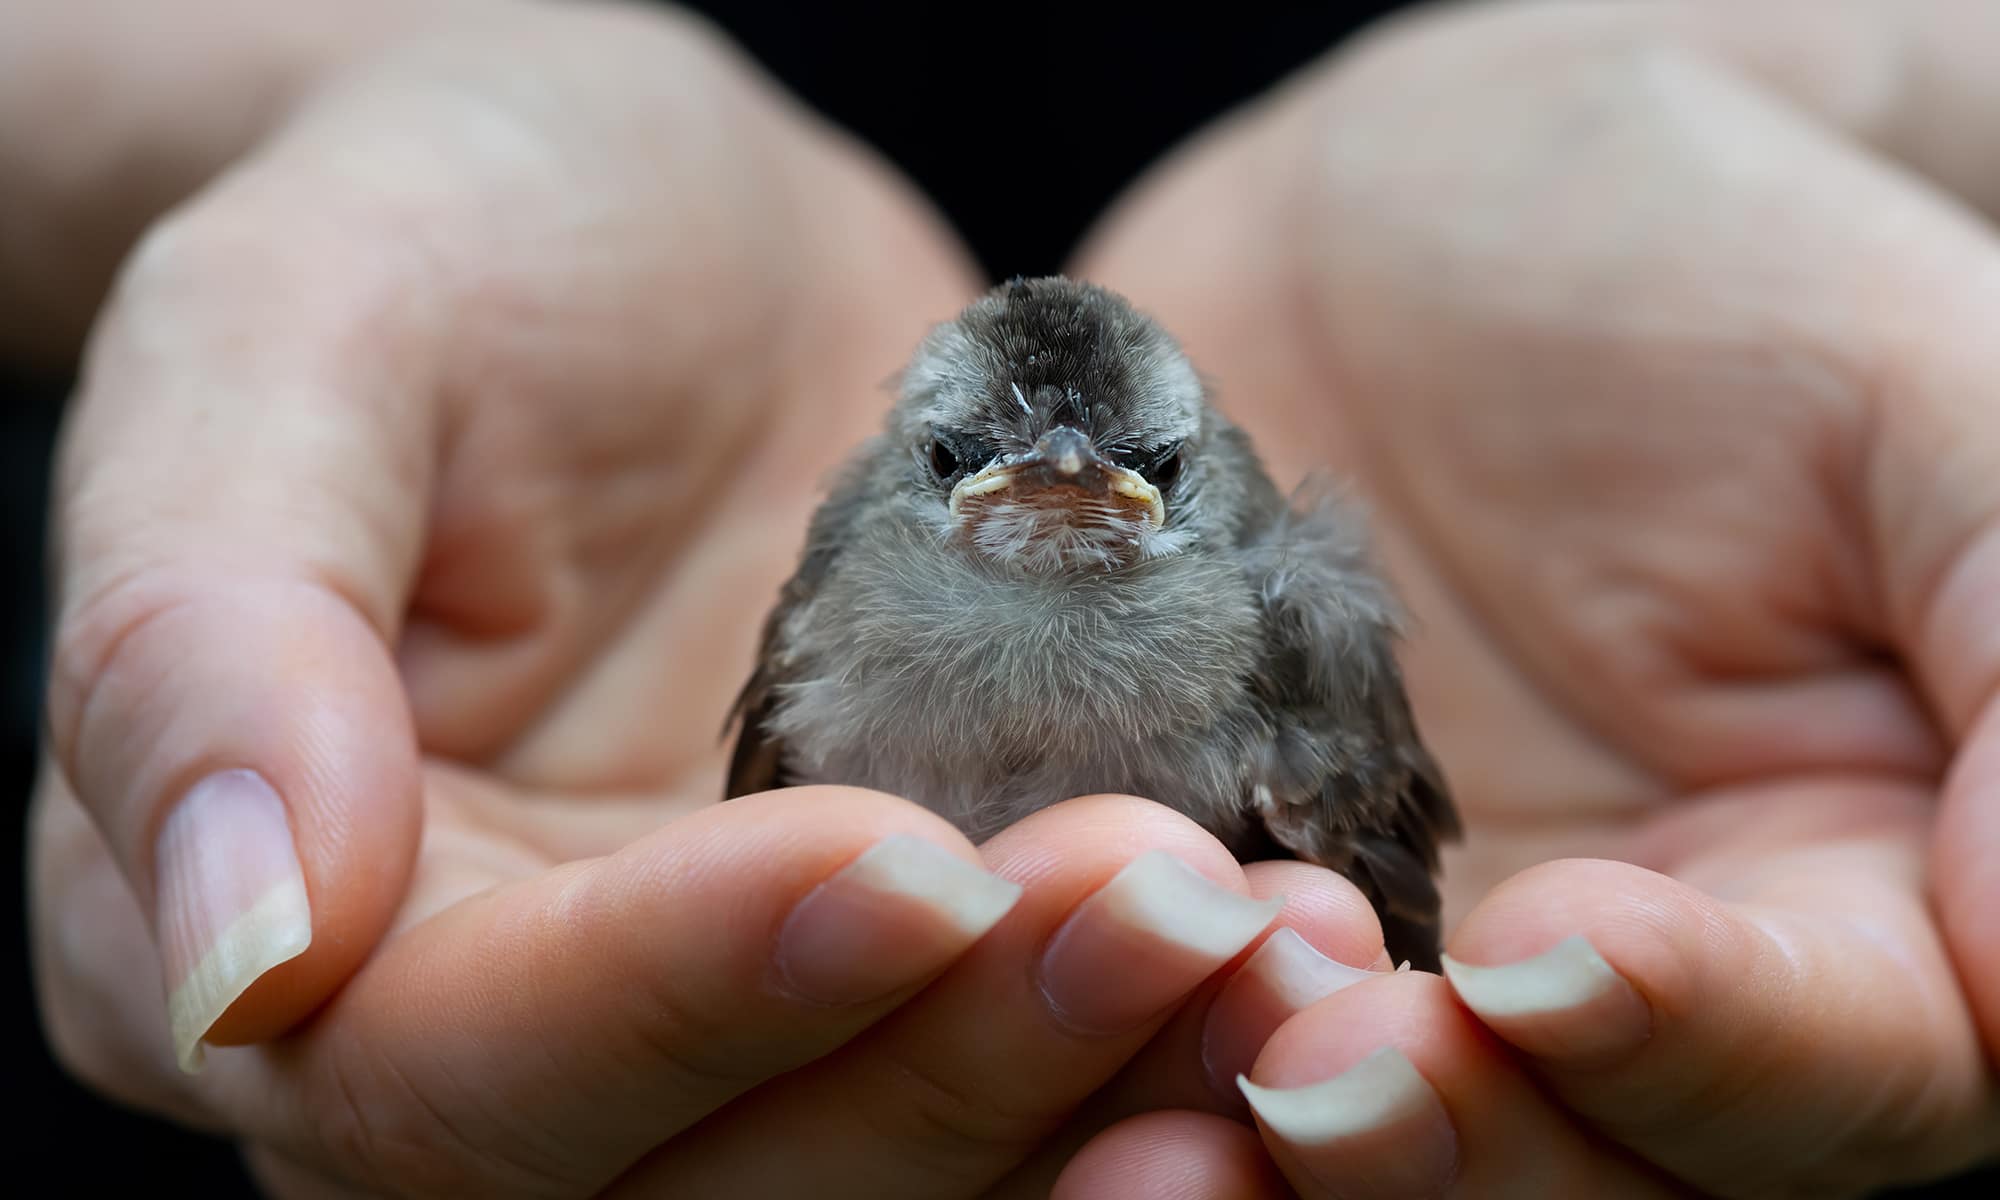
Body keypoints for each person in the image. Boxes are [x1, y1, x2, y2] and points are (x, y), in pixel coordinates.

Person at [14, 0, 2000, 1196]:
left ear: (1201, 478)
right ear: (913, 477)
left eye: (1141, 468)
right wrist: (367, 74)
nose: (1065, 490)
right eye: (977, 462)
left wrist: (1791, 63)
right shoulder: (842, 602)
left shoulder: (1268, 624)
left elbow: (1385, 922)